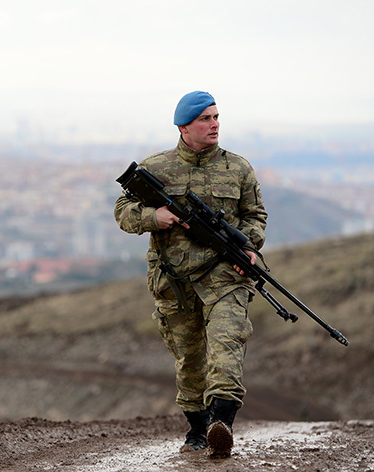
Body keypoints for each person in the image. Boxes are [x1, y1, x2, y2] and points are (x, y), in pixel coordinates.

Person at [113, 91, 267, 458]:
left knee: (227, 342)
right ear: (184, 127)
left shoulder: (238, 168)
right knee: (189, 358)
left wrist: (248, 246)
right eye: (205, 119)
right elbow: (123, 210)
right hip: (175, 282)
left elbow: (255, 217)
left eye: (216, 117)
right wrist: (155, 217)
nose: (214, 124)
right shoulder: (157, 167)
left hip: (224, 276)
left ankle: (223, 422)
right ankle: (198, 429)